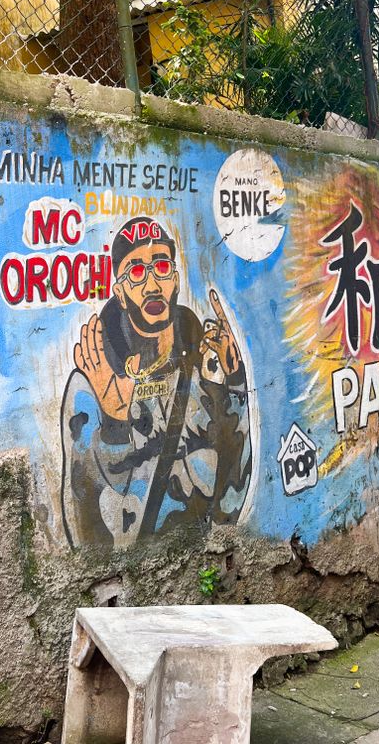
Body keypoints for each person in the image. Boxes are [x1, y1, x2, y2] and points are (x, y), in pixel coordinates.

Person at [61, 216, 252, 547]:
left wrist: (234, 383)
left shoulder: (202, 364)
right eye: (136, 272)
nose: (152, 284)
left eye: (161, 267)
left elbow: (232, 491)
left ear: (175, 281)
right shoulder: (93, 384)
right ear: (120, 293)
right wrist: (114, 424)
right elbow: (85, 529)